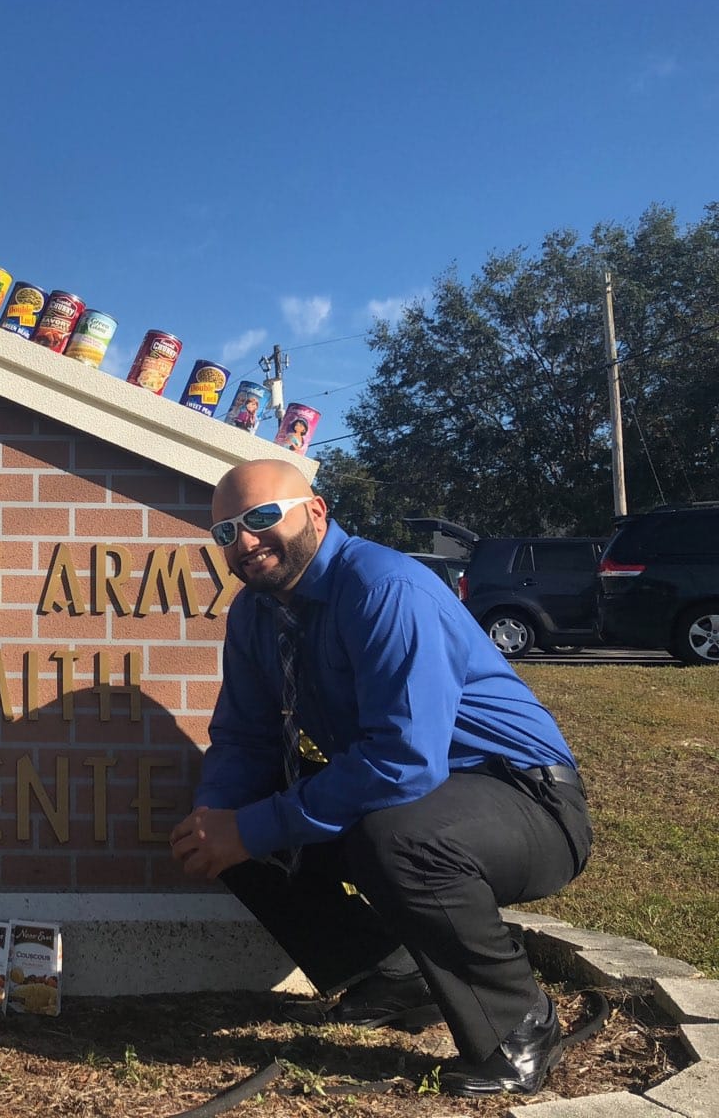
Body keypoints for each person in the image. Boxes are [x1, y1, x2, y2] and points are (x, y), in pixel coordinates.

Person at [171, 459, 592, 1098]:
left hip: (524, 797)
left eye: (261, 519)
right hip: (421, 799)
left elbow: (403, 761)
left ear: (316, 511)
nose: (245, 542)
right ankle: (394, 975)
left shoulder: (385, 588)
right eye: (226, 531)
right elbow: (244, 738)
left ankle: (517, 1029)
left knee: (394, 837)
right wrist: (219, 817)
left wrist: (255, 828)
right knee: (234, 818)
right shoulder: (257, 615)